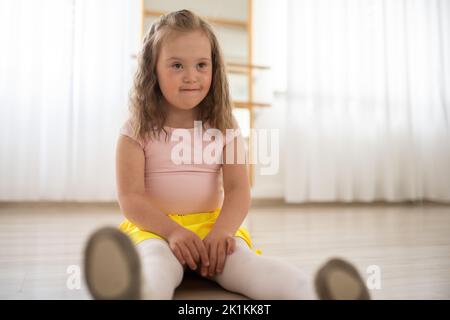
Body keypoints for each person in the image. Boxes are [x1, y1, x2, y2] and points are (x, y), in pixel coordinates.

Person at [83, 9, 370, 300]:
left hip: (212, 228)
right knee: (156, 262)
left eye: (201, 65)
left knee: (249, 266)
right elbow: (131, 198)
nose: (191, 76)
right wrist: (172, 232)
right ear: (152, 69)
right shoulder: (135, 129)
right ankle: (133, 294)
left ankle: (314, 293)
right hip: (156, 230)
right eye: (177, 65)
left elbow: (237, 190)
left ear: (214, 68)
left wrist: (222, 232)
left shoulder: (224, 124)